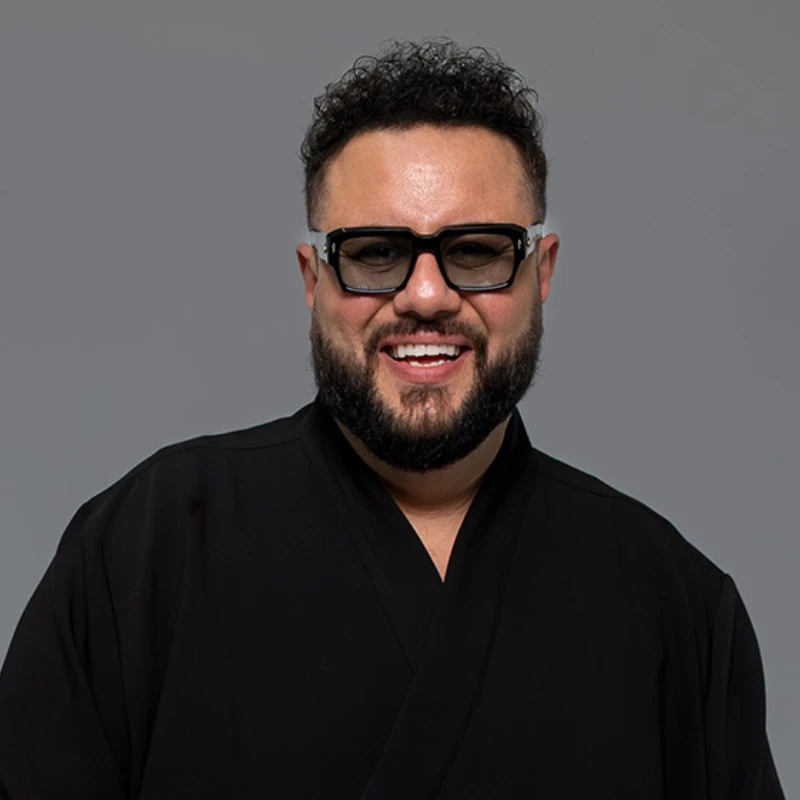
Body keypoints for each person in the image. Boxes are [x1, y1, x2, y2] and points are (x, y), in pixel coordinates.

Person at [0, 38, 785, 799]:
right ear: (314, 279)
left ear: (541, 273)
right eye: (376, 254)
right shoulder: (146, 550)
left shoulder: (673, 605)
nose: (426, 295)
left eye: (476, 251)